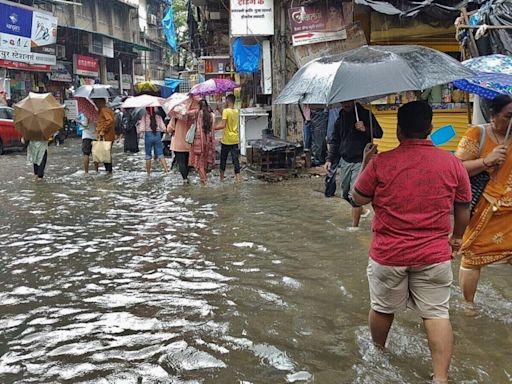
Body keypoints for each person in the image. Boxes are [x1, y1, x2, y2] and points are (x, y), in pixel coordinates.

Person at [351, 101, 471, 384]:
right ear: (430, 129)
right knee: (437, 314)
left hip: (389, 254)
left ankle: (378, 353)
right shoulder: (452, 163)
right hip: (434, 255)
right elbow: (463, 207)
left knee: (382, 307)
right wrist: (456, 238)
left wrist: (367, 164)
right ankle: (440, 378)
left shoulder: (381, 163)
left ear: (399, 130)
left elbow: (357, 198)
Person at [455, 94, 512, 304]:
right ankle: (468, 304)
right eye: (508, 116)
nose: (510, 122)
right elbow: (457, 169)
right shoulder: (476, 133)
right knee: (473, 258)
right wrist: (486, 161)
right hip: (484, 208)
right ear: (492, 115)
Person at [325, 101, 383, 229]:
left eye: (348, 102)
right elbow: (335, 141)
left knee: (353, 195)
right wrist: (329, 159)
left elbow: (379, 133)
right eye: (343, 103)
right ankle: (362, 211)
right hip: (345, 160)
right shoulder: (340, 120)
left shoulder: (365, 115)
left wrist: (365, 129)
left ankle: (354, 227)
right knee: (345, 194)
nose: (345, 105)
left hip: (361, 160)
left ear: (353, 100)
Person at [168, 98, 198, 183]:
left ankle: (185, 178)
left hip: (178, 143)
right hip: (189, 142)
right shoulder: (192, 116)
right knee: (187, 161)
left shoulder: (176, 116)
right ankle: (187, 176)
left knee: (181, 162)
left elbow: (170, 128)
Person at [189, 99, 216, 185]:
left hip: (199, 142)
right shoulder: (212, 115)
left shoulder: (197, 113)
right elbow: (212, 130)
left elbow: (185, 114)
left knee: (199, 163)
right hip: (208, 140)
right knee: (204, 162)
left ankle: (204, 182)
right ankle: (203, 180)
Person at [216, 94, 241, 183]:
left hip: (226, 140)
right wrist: (219, 110)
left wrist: (213, 127)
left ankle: (221, 178)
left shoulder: (226, 111)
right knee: (235, 160)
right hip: (234, 139)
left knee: (223, 159)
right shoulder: (236, 111)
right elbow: (228, 115)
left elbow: (223, 125)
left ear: (228, 101)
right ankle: (238, 179)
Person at [137, 107, 169, 176]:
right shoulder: (158, 117)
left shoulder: (145, 117)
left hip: (148, 136)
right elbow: (163, 128)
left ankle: (148, 173)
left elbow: (141, 129)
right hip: (157, 135)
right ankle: (166, 170)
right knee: (160, 153)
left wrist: (141, 133)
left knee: (148, 155)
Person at [94, 98, 116, 173]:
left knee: (105, 154)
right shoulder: (106, 110)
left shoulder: (104, 110)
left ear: (100, 102)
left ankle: (109, 171)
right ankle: (108, 171)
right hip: (108, 136)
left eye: (96, 102)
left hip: (105, 136)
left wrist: (103, 130)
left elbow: (110, 120)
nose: (95, 104)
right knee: (106, 154)